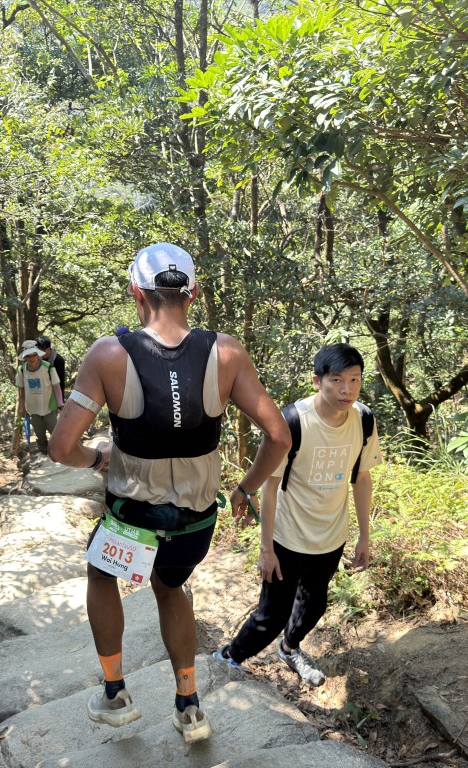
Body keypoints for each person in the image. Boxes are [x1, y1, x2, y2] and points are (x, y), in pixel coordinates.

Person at [48, 242, 290, 743]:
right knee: (169, 586)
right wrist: (244, 490)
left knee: (101, 572)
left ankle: (115, 694)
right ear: (193, 294)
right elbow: (280, 437)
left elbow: (60, 447)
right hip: (197, 522)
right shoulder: (226, 351)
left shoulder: (109, 354)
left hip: (132, 517)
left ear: (137, 294)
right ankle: (189, 706)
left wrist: (98, 459)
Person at [212, 343, 382, 686]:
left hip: (331, 536)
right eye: (336, 380)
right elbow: (270, 487)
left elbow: (362, 478)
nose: (346, 389)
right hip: (287, 537)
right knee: (270, 615)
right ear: (317, 381)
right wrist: (267, 548)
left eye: (354, 379)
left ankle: (289, 649)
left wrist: (364, 536)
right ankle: (227, 657)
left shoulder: (363, 420)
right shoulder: (293, 421)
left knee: (314, 605)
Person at [14, 341, 64, 455]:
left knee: (54, 430)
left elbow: (56, 386)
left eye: (34, 355)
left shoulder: (47, 367)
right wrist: (22, 406)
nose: (31, 358)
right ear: (24, 357)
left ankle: (60, 451)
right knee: (39, 432)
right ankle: (44, 452)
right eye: (28, 356)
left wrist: (60, 404)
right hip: (32, 407)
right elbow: (21, 389)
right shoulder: (22, 370)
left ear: (38, 354)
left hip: (49, 405)